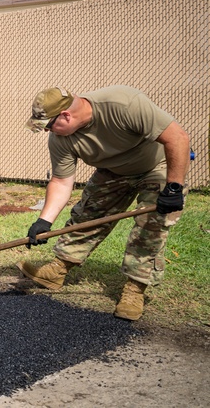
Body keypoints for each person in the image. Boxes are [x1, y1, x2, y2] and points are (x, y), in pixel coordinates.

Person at [19, 86, 189, 321]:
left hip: (157, 166)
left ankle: (135, 289)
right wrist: (44, 221)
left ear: (66, 116)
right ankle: (57, 270)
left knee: (151, 224)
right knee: (88, 215)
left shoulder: (124, 104)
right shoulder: (61, 138)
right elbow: (61, 181)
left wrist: (174, 187)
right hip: (113, 171)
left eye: (48, 125)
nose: (48, 131)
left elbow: (177, 137)